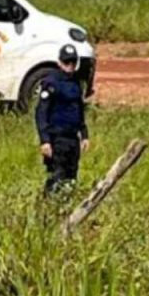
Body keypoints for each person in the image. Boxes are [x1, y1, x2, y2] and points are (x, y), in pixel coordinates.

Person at [35, 44, 90, 197]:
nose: (70, 67)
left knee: (71, 177)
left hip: (72, 139)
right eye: (67, 63)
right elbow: (41, 113)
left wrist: (84, 134)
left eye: (73, 63)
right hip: (56, 139)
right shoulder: (51, 83)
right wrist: (45, 140)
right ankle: (48, 206)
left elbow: (78, 110)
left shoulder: (76, 84)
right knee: (56, 177)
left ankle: (66, 208)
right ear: (59, 63)